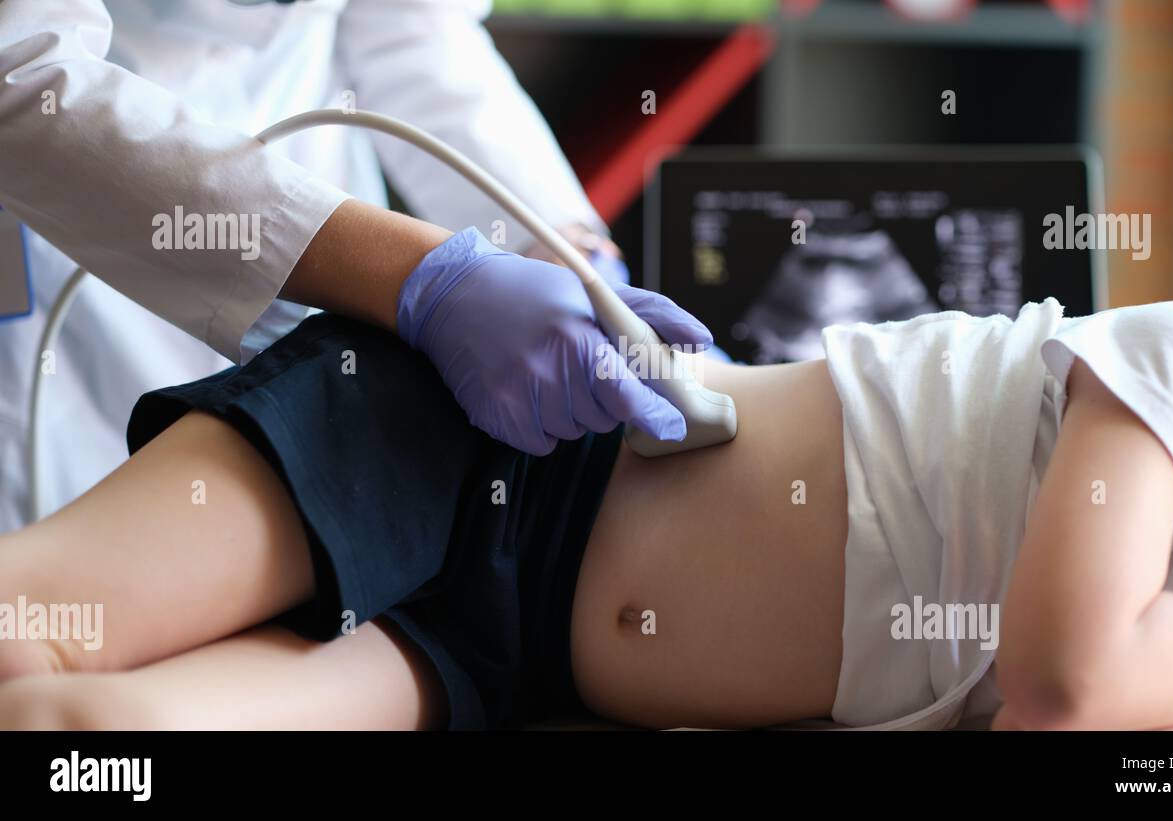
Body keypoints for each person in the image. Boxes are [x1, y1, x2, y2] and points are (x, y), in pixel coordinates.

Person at [0, 281, 1173, 731]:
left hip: (491, 660)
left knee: (78, 740)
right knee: (26, 628)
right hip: (482, 445)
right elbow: (1061, 672)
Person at [0, 0, 701, 532]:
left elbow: (407, 22)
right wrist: (418, 278)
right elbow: (21, 74)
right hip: (75, 215)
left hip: (307, 159)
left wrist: (557, 241)